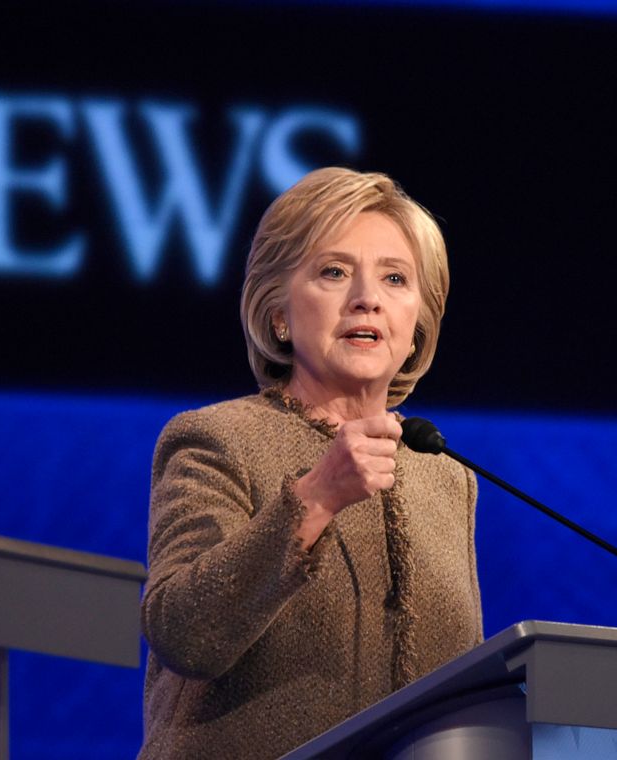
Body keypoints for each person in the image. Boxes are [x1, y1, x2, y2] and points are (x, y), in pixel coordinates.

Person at [138, 167, 482, 760]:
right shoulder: (216, 439)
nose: (367, 298)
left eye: (395, 278)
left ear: (416, 322)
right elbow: (183, 632)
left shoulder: (445, 475)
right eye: (334, 272)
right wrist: (317, 498)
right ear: (278, 315)